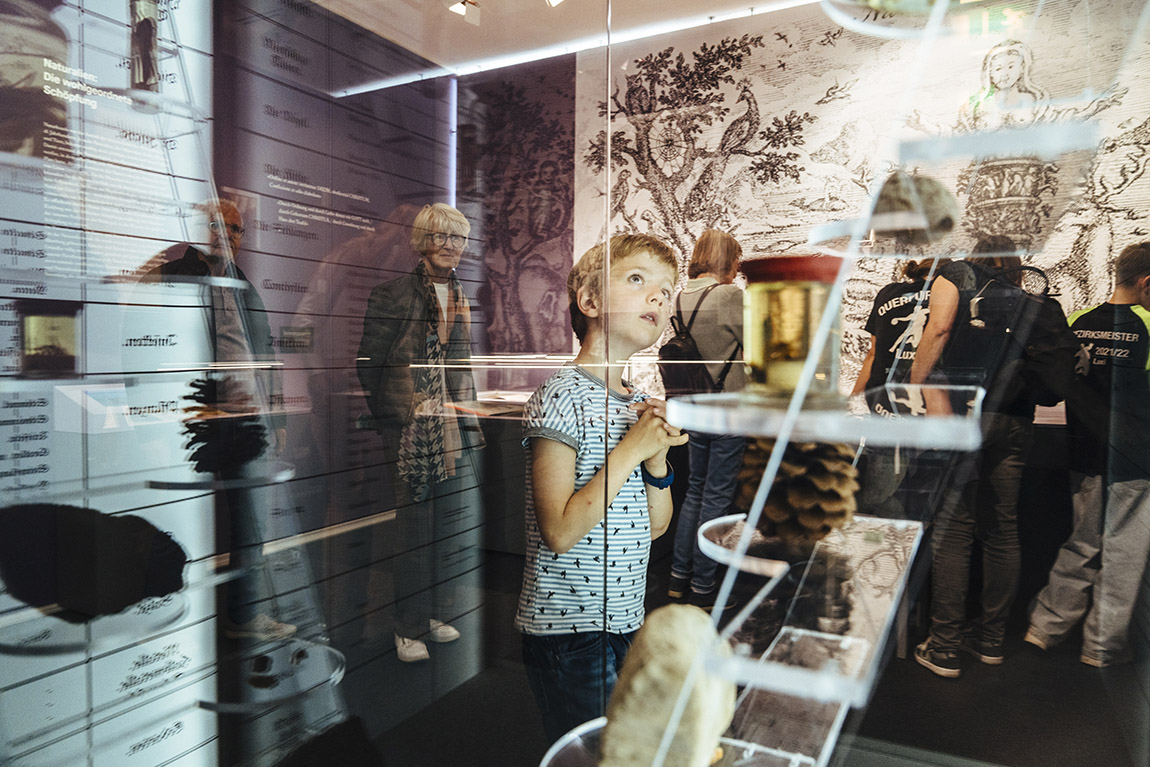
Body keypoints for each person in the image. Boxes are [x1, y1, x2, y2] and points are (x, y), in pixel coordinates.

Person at [516, 233, 687, 742]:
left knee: (621, 744)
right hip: (569, 627)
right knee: (595, 751)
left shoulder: (635, 400)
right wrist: (632, 449)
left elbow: (656, 527)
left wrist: (656, 458)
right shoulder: (560, 395)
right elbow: (559, 531)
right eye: (637, 279)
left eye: (666, 291)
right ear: (590, 301)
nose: (658, 297)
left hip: (625, 615)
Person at [141, 198, 292, 640]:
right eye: (216, 225)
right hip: (193, 419)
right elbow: (144, 349)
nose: (227, 235)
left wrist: (277, 417)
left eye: (236, 229)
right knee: (180, 520)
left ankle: (243, 617)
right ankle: (176, 628)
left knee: (253, 523)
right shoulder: (171, 276)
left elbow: (266, 353)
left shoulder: (243, 283)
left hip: (247, 420)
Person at [356, 203, 485, 663]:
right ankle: (406, 626)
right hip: (411, 426)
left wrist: (469, 419)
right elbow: (368, 363)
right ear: (422, 241)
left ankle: (429, 613)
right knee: (414, 528)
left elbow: (461, 364)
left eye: (458, 238)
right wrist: (397, 416)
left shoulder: (460, 294)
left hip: (450, 422)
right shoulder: (392, 294)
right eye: (441, 236)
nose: (451, 246)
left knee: (444, 526)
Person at [908, 236, 1039, 678]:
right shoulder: (1022, 293)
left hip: (965, 412)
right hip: (1016, 418)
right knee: (1002, 528)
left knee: (954, 528)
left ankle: (944, 647)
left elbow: (939, 329)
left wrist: (914, 383)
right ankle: (990, 639)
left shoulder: (957, 275)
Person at [1025, 242, 1150, 667]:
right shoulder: (1148, 327)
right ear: (1147, 283)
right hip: (1135, 458)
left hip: (1082, 452)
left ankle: (1045, 626)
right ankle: (1102, 646)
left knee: (1079, 544)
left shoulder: (1077, 321)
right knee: (1122, 555)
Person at [667, 229, 745, 608]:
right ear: (728, 260)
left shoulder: (680, 296)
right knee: (716, 498)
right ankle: (703, 586)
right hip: (728, 411)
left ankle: (677, 578)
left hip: (694, 406)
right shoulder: (729, 296)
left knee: (695, 492)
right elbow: (760, 345)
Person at [851, 258, 945, 518]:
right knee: (920, 487)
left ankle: (875, 528)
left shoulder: (888, 293)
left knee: (879, 485)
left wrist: (854, 398)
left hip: (883, 401)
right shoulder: (947, 297)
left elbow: (873, 353)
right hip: (923, 403)